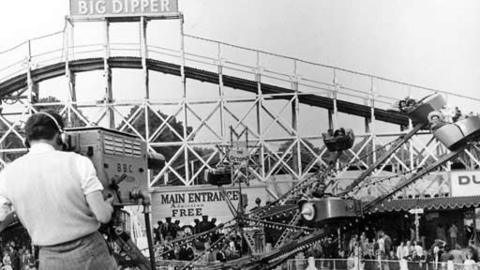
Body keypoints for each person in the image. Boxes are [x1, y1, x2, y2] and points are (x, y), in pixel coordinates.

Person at [0, 111, 116, 270]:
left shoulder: (7, 175)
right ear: (61, 137)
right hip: (90, 254)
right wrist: (108, 206)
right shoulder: (79, 163)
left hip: (50, 259)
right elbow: (102, 216)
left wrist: (19, 213)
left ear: (26, 141)